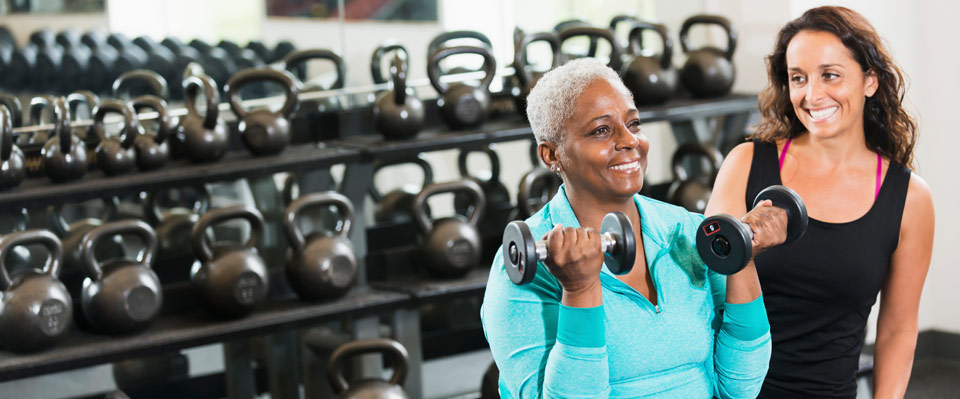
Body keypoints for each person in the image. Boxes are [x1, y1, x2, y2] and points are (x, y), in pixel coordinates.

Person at [481, 58, 784, 398]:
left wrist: (741, 261)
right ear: (552, 155)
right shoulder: (525, 269)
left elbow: (741, 387)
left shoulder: (686, 231)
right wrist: (579, 290)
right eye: (601, 130)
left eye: (634, 124)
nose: (630, 141)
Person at [706, 6, 935, 399]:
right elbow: (706, 286)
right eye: (799, 78)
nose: (812, 95)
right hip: (729, 390)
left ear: (870, 81)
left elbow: (898, 328)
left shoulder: (910, 197)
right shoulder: (746, 163)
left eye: (830, 75)